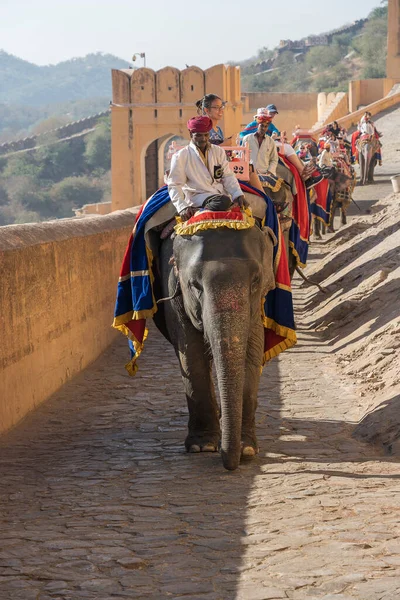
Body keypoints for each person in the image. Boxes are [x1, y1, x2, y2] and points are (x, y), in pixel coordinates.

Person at [167, 116, 247, 221]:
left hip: (218, 194)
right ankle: (197, 213)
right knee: (224, 201)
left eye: (206, 135)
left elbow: (227, 176)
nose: (203, 139)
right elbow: (175, 184)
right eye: (199, 135)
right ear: (191, 134)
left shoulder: (218, 151)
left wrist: (237, 194)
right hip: (198, 197)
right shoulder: (181, 156)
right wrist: (182, 207)